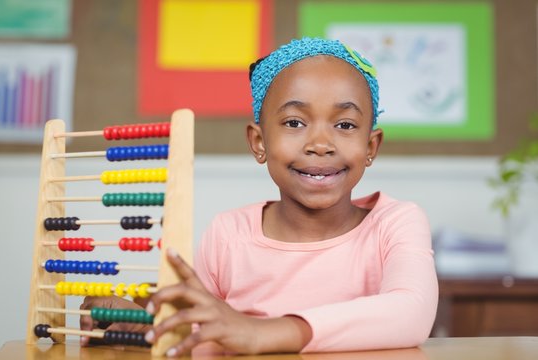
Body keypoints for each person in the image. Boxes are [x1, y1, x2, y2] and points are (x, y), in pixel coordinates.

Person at [81, 37, 438, 357]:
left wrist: (264, 332)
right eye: (295, 123)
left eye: (344, 125)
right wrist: (145, 325)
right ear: (258, 142)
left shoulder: (396, 223)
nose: (320, 144)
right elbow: (203, 333)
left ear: (371, 146)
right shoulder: (228, 234)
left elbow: (411, 312)